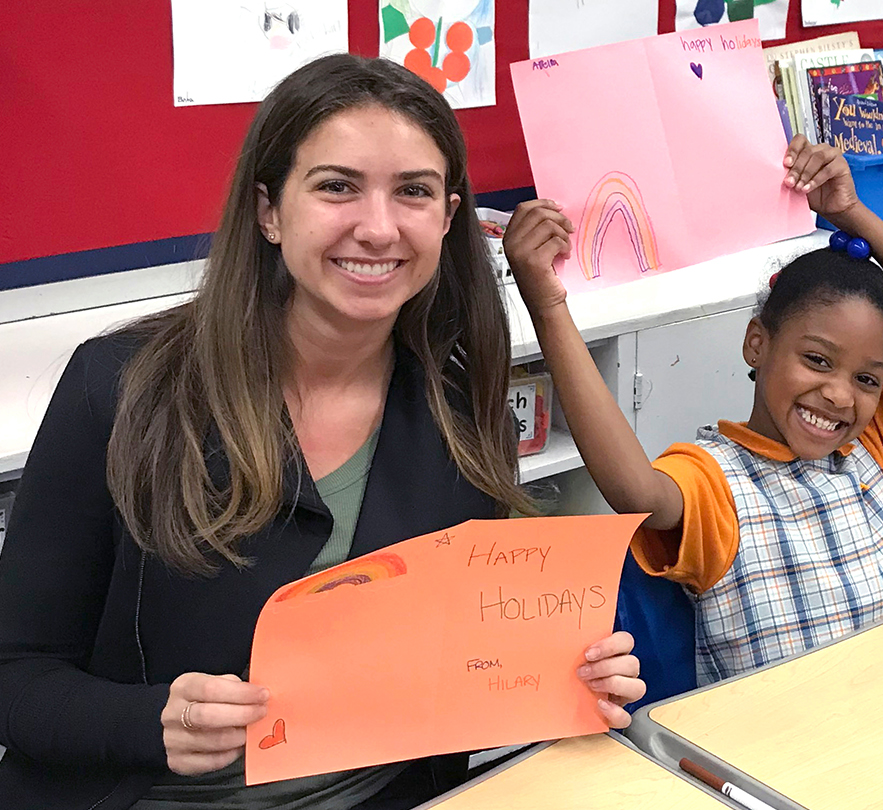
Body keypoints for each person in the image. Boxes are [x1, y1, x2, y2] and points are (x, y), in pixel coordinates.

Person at [0, 54, 644, 810]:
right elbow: (19, 674)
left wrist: (563, 673)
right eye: (337, 186)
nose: (378, 228)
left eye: (413, 192)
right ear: (270, 211)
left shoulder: (460, 408)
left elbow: (458, 662)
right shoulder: (122, 389)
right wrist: (147, 720)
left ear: (447, 217)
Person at [504, 137, 883, 684]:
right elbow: (634, 491)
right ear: (756, 344)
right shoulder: (714, 482)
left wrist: (852, 215)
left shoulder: (876, 446)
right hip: (769, 756)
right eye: (816, 359)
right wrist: (546, 305)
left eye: (867, 379)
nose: (838, 394)